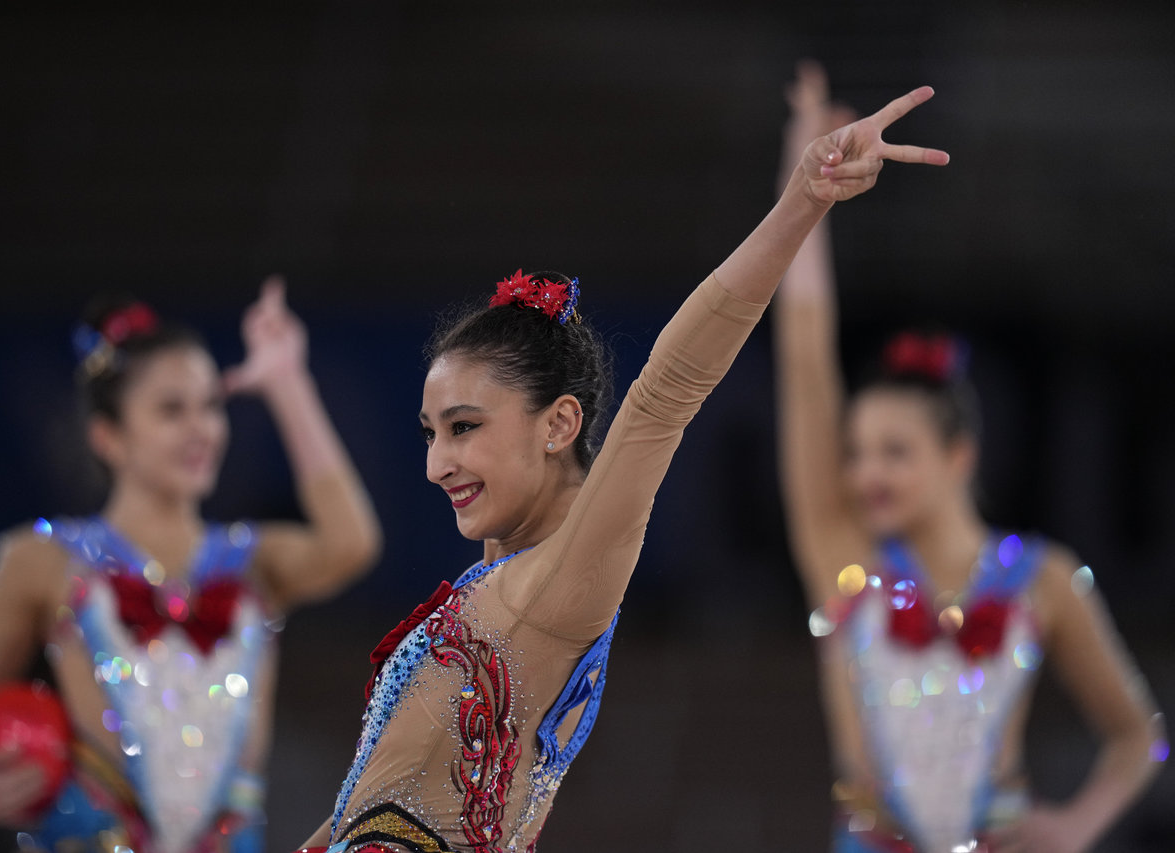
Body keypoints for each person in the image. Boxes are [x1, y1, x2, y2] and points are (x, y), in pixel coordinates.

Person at [293, 85, 950, 853]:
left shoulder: (558, 584)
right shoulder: (499, 587)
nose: (439, 463)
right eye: (431, 434)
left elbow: (667, 390)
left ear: (559, 424)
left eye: (465, 428)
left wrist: (803, 199)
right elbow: (366, 807)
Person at [772, 62, 1166, 853]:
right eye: (856, 452)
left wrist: (1076, 827)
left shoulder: (1046, 579)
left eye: (894, 452)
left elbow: (1139, 734)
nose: (865, 473)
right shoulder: (844, 558)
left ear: (960, 455)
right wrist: (803, 181)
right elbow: (805, 355)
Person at [0, 278, 383, 853]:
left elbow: (352, 542)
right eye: (171, 410)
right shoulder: (41, 560)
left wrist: (288, 384)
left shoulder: (253, 562)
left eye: (210, 406)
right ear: (108, 436)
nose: (201, 428)